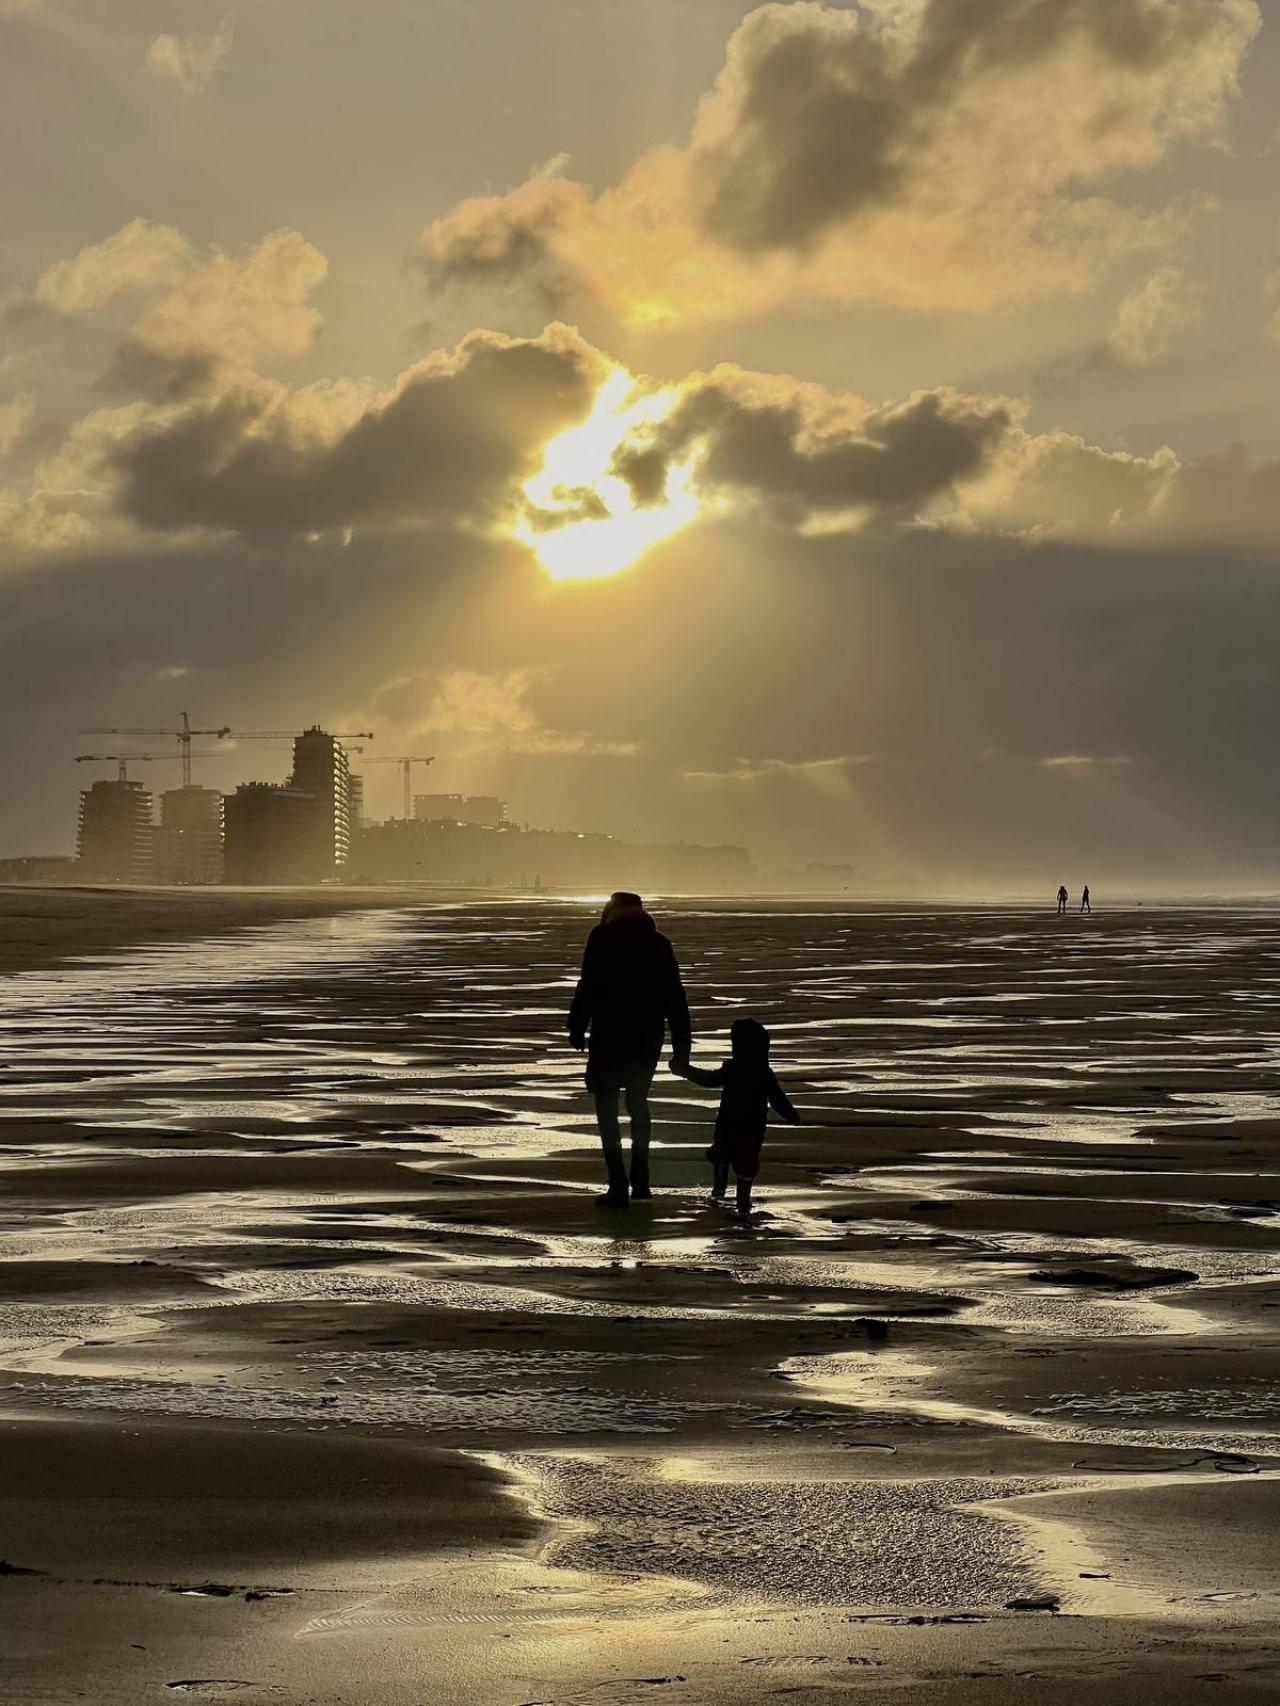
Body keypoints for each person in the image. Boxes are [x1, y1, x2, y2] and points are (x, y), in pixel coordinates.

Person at [569, 892, 691, 1208]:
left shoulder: (601, 936)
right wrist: (682, 1049)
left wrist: (577, 1026)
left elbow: (588, 984)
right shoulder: (659, 943)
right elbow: (676, 999)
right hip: (647, 1037)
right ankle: (641, 1179)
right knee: (638, 1101)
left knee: (607, 1106)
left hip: (609, 1034)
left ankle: (618, 1182)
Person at [671, 1018, 799, 1217]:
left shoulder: (734, 1069)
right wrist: (792, 1116)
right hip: (751, 1130)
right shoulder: (763, 1073)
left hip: (729, 1126)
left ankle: (720, 1193)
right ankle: (741, 1202)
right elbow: (777, 1100)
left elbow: (710, 1080)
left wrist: (686, 1071)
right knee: (745, 1168)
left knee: (727, 1156)